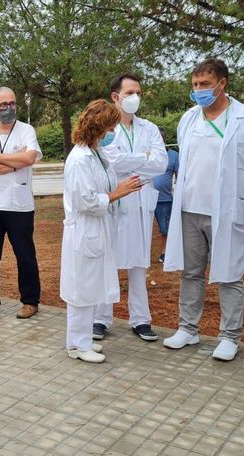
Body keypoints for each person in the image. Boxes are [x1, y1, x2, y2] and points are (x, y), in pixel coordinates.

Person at [162, 58, 244, 361]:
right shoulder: (189, 119)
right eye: (195, 85)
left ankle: (229, 336)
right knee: (192, 272)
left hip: (227, 211)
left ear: (222, 84)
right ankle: (188, 329)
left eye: (205, 84)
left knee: (230, 273)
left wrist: (243, 194)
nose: (198, 90)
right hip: (189, 210)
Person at [62, 100, 143, 363]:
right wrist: (116, 193)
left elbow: (104, 185)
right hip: (84, 231)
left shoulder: (97, 154)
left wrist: (120, 188)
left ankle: (82, 340)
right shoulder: (79, 159)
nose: (113, 133)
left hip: (98, 230)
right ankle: (77, 345)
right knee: (81, 291)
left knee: (91, 288)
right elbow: (84, 201)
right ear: (99, 127)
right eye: (110, 127)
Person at [95, 73, 168, 342]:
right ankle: (101, 318)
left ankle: (140, 319)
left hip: (140, 204)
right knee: (108, 261)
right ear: (116, 97)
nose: (135, 97)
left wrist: (137, 161)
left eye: (138, 91)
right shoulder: (106, 130)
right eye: (130, 92)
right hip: (115, 200)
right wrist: (143, 159)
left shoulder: (148, 127)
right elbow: (111, 161)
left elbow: (160, 163)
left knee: (138, 263)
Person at [0, 87, 43, 320]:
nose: (7, 108)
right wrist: (14, 163)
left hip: (19, 205)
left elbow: (29, 158)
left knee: (25, 255)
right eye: (2, 105)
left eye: (11, 103)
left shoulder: (26, 130)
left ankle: (30, 301)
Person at [152, 126, 178, 263]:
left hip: (164, 199)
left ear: (164, 139)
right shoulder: (147, 154)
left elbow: (179, 177)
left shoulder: (173, 155)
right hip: (147, 199)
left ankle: (165, 252)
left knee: (164, 228)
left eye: (160, 138)